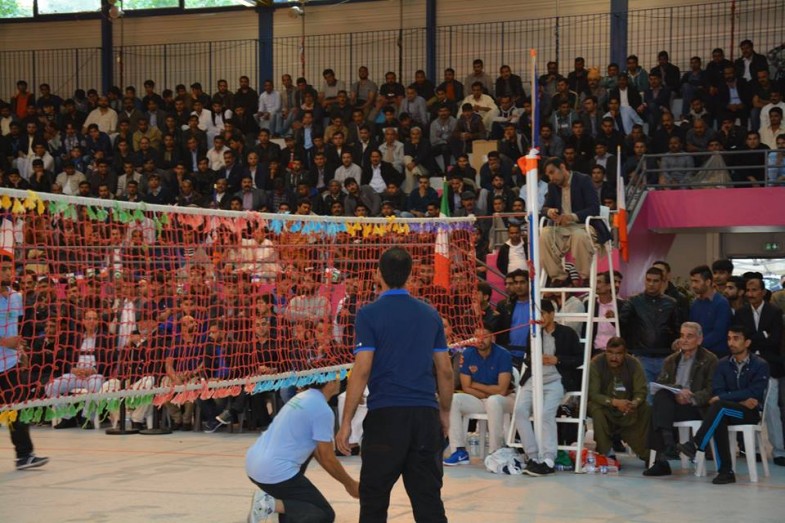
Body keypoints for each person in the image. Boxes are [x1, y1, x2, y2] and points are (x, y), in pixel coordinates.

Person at [337, 247, 452, 523]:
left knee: (374, 502)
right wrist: (444, 412)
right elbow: (445, 371)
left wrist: (346, 421)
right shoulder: (430, 314)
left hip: (386, 418)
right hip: (424, 416)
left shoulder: (368, 314)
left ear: (378, 274)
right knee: (428, 502)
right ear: (411, 275)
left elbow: (362, 369)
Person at [245, 377, 360, 523]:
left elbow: (317, 451)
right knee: (323, 514)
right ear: (330, 382)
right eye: (337, 377)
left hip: (254, 465)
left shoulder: (302, 396)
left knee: (300, 504)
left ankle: (278, 504)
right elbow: (327, 458)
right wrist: (350, 484)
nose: (340, 380)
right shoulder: (322, 410)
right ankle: (267, 504)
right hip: (274, 473)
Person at [678, 325, 770, 484]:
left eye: (736, 339)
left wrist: (726, 398)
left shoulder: (760, 364)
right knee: (718, 415)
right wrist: (740, 400)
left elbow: (754, 392)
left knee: (719, 408)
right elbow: (718, 390)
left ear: (747, 342)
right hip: (729, 410)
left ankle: (697, 443)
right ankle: (725, 472)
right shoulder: (722, 364)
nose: (731, 343)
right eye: (729, 338)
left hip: (749, 413)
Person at [514, 300, 582, 476]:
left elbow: (579, 359)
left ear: (552, 314)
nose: (540, 318)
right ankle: (532, 456)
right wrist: (536, 359)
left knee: (546, 414)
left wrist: (557, 360)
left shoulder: (567, 333)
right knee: (519, 411)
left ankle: (549, 459)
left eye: (543, 313)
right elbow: (527, 357)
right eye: (536, 315)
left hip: (556, 380)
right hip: (533, 379)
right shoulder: (533, 333)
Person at [643, 322, 719, 477]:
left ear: (699, 339)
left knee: (658, 409)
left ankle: (663, 458)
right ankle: (669, 446)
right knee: (660, 398)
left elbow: (712, 389)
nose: (684, 340)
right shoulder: (671, 360)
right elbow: (662, 383)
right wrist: (677, 390)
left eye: (689, 336)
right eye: (682, 336)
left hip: (696, 407)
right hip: (672, 404)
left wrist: (691, 397)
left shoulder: (710, 359)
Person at [1, 254, 49, 470]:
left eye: (8, 269)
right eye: (2, 269)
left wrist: (20, 350)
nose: (7, 273)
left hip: (9, 363)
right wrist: (4, 341)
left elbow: (16, 327)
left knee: (16, 409)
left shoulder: (15, 297)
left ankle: (24, 455)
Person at [443, 324, 513, 466]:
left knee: (493, 401)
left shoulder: (503, 354)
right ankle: (459, 451)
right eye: (477, 336)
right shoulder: (468, 354)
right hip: (480, 399)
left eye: (484, 336)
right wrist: (485, 392)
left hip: (505, 399)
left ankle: (495, 451)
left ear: (492, 338)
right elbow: (466, 387)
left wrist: (475, 385)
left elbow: (502, 390)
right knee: (454, 400)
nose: (480, 340)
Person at [539, 156, 611, 285]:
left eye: (552, 172)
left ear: (562, 167)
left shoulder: (583, 180)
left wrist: (572, 217)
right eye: (548, 175)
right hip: (562, 228)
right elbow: (544, 209)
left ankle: (585, 277)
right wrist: (549, 211)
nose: (551, 178)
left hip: (584, 225)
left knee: (579, 235)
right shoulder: (552, 186)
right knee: (544, 234)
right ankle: (558, 277)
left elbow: (594, 208)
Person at [587, 336, 650, 460]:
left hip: (628, 406)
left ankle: (647, 453)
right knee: (595, 408)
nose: (614, 357)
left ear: (625, 353)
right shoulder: (596, 363)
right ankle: (606, 453)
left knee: (646, 408)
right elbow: (593, 394)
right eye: (610, 352)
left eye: (618, 354)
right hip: (605, 405)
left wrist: (634, 403)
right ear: (606, 351)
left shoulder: (633, 364)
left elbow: (641, 391)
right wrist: (614, 402)